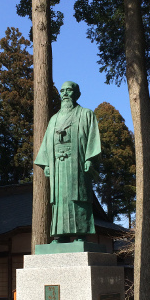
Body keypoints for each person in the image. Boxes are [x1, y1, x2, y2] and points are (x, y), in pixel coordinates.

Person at [34, 81, 101, 243]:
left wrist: (90, 158)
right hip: (58, 165)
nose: (64, 94)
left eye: (69, 90)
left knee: (77, 196)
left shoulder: (86, 114)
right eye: (62, 91)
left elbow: (93, 137)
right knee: (59, 199)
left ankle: (80, 234)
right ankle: (60, 235)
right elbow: (47, 142)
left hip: (77, 164)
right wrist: (47, 164)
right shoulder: (54, 119)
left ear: (77, 94)